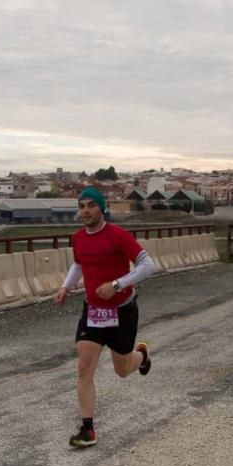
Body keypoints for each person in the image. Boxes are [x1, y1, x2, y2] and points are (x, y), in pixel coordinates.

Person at [55, 187, 156, 449]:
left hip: (122, 309)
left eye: (91, 205)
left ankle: (142, 356)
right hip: (93, 311)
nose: (85, 210)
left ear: (102, 209)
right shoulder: (78, 238)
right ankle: (88, 429)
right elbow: (79, 264)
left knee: (122, 370)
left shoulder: (118, 235)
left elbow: (147, 266)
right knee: (84, 368)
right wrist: (66, 286)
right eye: (82, 206)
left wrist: (118, 285)